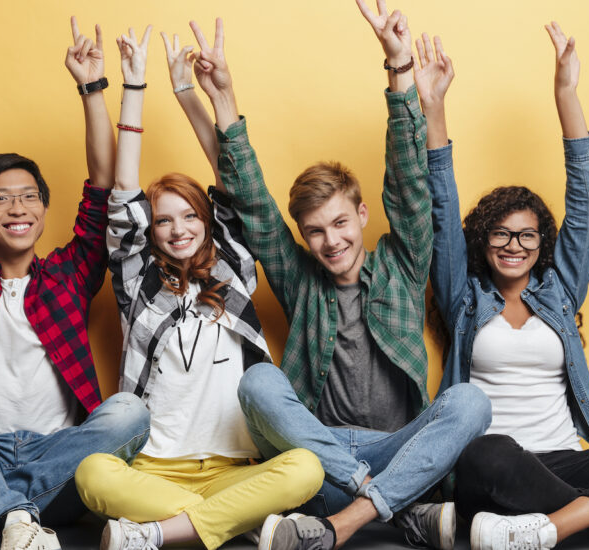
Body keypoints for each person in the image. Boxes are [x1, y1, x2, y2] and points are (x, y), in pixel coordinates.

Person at [208, 2, 492, 549]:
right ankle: (394, 508)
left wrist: (399, 65)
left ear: (362, 215)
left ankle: (358, 516)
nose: (331, 241)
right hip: (321, 457)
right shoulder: (299, 278)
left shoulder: (402, 262)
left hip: (397, 449)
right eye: (315, 231)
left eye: (340, 222)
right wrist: (223, 95)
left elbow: (410, 182)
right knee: (257, 381)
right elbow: (257, 209)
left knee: (471, 403)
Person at [73, 22, 324, 550]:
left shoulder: (232, 271)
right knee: (92, 473)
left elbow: (232, 177)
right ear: (152, 231)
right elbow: (123, 195)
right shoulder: (138, 283)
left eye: (189, 216)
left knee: (305, 467)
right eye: (164, 221)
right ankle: (243, 524)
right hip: (153, 470)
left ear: (207, 222)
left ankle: (161, 535)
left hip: (236, 465)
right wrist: (134, 88)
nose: (178, 229)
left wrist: (190, 93)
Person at [0, 18, 150, 550]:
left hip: (56, 461)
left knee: (130, 412)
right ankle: (8, 513)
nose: (16, 206)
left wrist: (92, 88)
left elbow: (104, 187)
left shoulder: (68, 274)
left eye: (27, 196)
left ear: (43, 208)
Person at [423, 21, 589, 550]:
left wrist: (565, 93)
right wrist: (433, 108)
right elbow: (441, 208)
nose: (514, 245)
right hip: (495, 465)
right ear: (482, 241)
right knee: (487, 452)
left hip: (568, 462)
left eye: (527, 235)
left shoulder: (560, 292)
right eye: (501, 234)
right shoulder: (465, 296)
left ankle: (558, 522)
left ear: (542, 242)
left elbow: (587, 206)